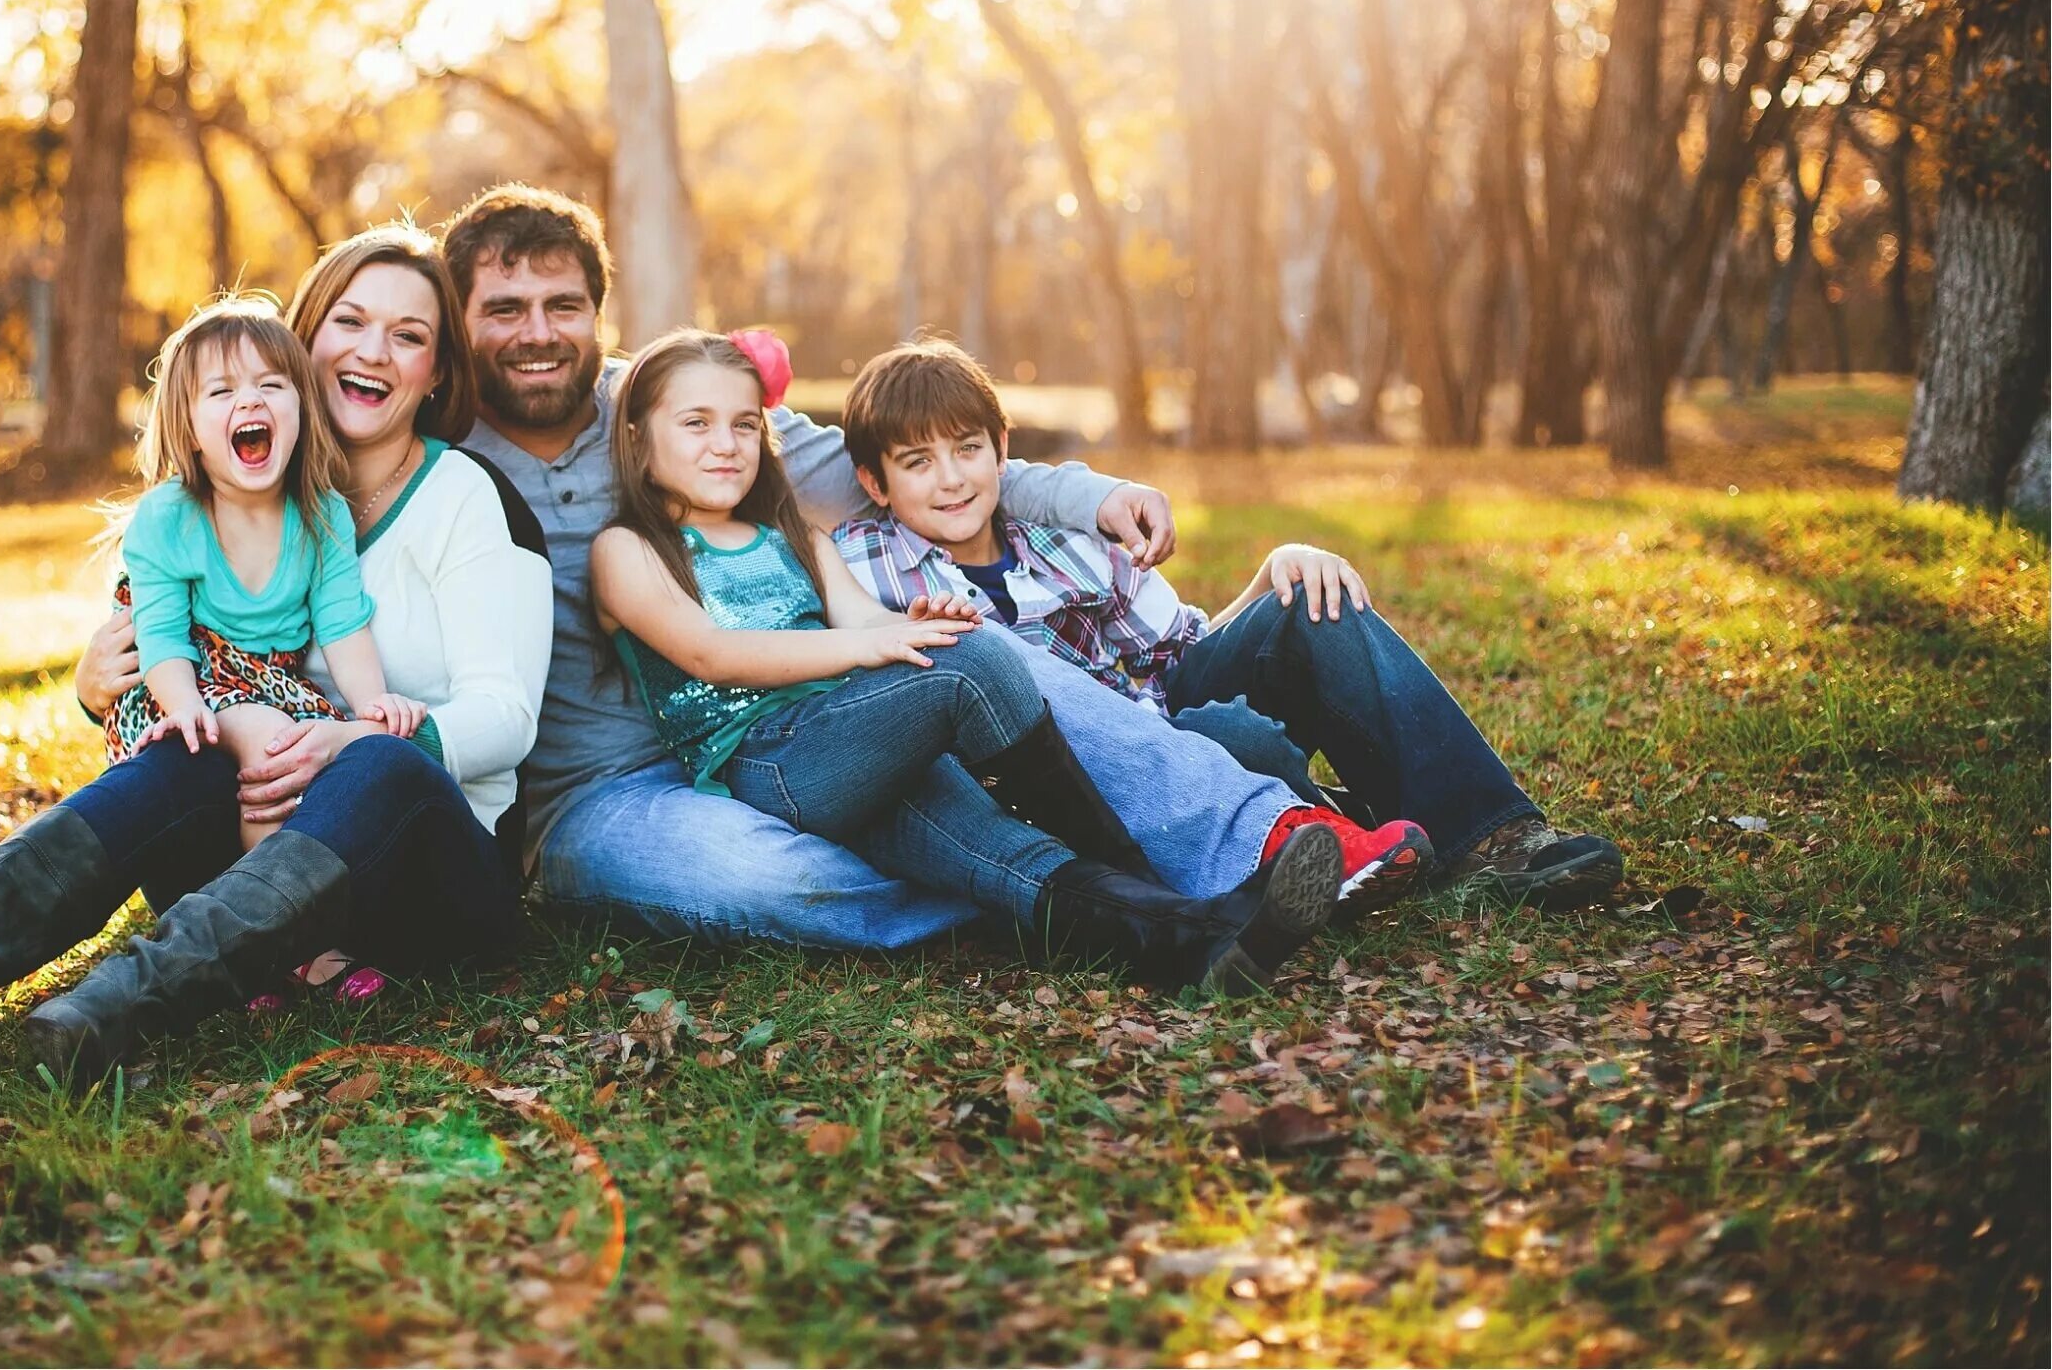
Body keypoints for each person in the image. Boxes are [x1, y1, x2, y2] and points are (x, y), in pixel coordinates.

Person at [406, 185, 1308, 947]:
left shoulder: (683, 400)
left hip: (802, 724)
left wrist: (1086, 497)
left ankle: (1257, 840)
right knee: (778, 876)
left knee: (975, 648)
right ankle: (1083, 899)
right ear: (460, 320)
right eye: (503, 309)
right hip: (605, 793)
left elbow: (912, 466)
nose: (538, 332)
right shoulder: (437, 451)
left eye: (562, 305)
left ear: (598, 314)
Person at [0, 228, 550, 1084]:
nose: (374, 352)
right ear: (304, 343)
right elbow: (169, 653)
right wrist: (98, 692)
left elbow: (508, 719)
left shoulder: (469, 499)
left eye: (410, 335)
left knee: (381, 765)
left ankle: (114, 1007)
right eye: (349, 321)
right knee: (188, 750)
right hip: (272, 845)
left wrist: (353, 741)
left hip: (428, 872)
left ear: (437, 372)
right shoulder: (241, 496)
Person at [592, 329, 1339, 990]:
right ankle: (1157, 875)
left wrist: (919, 622)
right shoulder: (626, 550)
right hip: (768, 763)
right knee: (973, 662)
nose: (726, 443)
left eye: (744, 425)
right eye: (696, 424)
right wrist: (877, 644)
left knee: (1000, 852)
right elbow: (712, 652)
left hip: (857, 744)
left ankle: (1194, 943)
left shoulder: (797, 536)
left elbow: (868, 621)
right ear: (636, 435)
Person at [830, 336, 1626, 911]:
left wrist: (1274, 573)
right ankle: (1335, 835)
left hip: (1164, 708)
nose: (951, 478)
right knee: (1239, 742)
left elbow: (1182, 649)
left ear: (1002, 449)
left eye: (967, 449)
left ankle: (1490, 839)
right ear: (873, 479)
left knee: (1309, 598)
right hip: (1070, 778)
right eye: (917, 461)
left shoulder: (1064, 534)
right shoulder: (861, 559)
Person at [103, 297, 428, 845]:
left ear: (301, 409)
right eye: (222, 390)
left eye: (272, 385)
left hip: (277, 687)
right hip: (179, 686)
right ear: (188, 426)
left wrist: (372, 709)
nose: (250, 399)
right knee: (274, 742)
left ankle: (293, 895)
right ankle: (270, 919)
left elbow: (343, 625)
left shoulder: (323, 515)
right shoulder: (168, 516)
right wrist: (184, 706)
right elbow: (159, 635)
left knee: (323, 751)